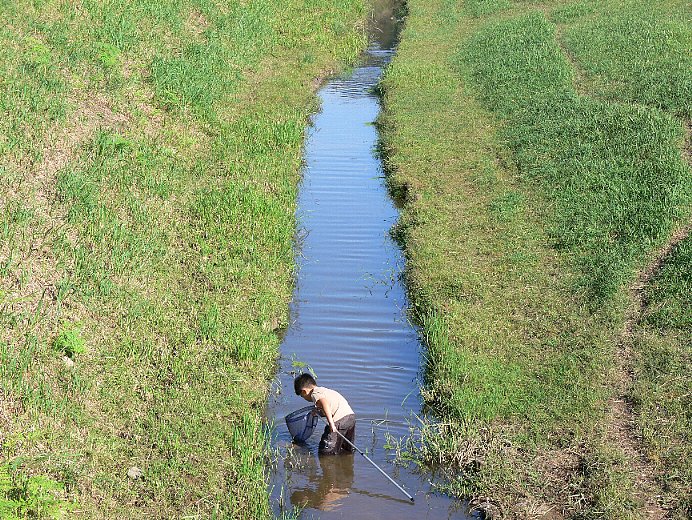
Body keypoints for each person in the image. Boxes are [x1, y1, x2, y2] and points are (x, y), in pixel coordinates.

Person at [294, 373, 356, 455]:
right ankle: (346, 463)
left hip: (339, 421)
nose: (304, 398)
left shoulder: (314, 394)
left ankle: (328, 463)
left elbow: (324, 403)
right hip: (350, 417)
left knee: (325, 451)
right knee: (346, 448)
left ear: (304, 391)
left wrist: (331, 424)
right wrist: (318, 412)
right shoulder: (324, 390)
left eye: (302, 396)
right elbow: (330, 408)